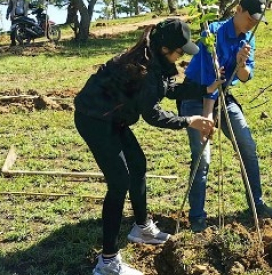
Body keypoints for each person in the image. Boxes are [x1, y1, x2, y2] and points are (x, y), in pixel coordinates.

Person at [74, 19, 219, 275]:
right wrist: (190, 121)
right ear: (166, 49)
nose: (182, 56)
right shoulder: (145, 68)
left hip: (112, 117)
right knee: (119, 182)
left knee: (138, 166)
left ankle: (141, 228)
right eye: (180, 51)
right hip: (93, 118)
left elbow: (168, 88)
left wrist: (204, 88)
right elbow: (153, 116)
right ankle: (107, 261)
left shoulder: (155, 60)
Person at [179, 0, 272, 232]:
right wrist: (207, 115)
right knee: (203, 158)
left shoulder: (248, 39)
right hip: (196, 98)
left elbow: (244, 78)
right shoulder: (210, 34)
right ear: (238, 9)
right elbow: (207, 78)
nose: (252, 24)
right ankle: (197, 218)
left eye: (257, 20)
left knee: (247, 146)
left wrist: (241, 64)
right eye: (250, 18)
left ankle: (257, 203)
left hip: (225, 98)